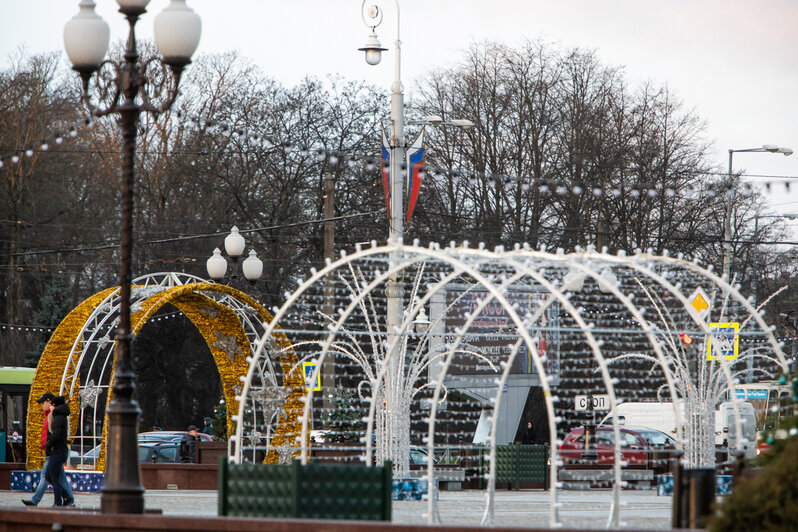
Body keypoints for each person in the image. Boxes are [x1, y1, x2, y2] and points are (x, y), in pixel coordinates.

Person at [22, 393, 74, 507]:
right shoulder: (51, 415)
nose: (41, 405)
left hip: (54, 451)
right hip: (52, 450)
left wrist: (49, 445)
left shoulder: (55, 415)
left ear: (49, 402)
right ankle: (69, 500)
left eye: (43, 403)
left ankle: (38, 500)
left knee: (47, 476)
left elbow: (55, 435)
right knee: (59, 477)